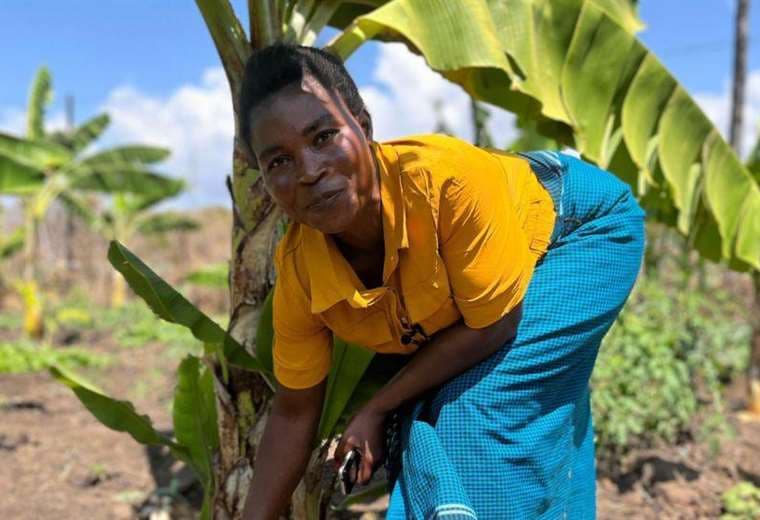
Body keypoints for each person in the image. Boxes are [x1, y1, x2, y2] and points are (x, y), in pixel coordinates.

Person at [238, 43, 645, 520]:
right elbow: (294, 411)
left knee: (475, 414)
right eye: (279, 162)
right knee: (475, 410)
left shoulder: (446, 184)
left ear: (362, 127)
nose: (309, 170)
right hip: (494, 292)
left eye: (323, 136)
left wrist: (377, 407)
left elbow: (493, 325)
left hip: (579, 231)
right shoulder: (302, 272)